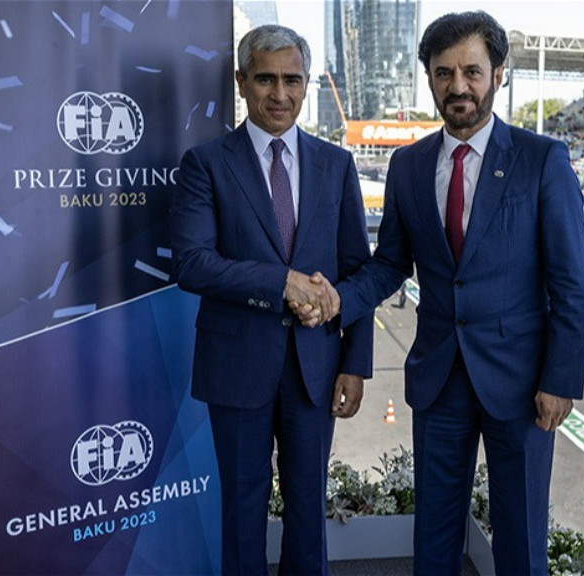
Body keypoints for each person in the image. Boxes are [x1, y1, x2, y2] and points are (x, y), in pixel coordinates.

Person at [294, 11, 584, 575]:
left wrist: (561, 379)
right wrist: (337, 300)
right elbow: (390, 264)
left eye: (471, 71)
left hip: (522, 384)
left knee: (522, 539)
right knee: (433, 537)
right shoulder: (407, 165)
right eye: (443, 73)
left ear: (497, 74)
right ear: (428, 78)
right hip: (438, 379)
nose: (458, 86)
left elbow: (571, 282)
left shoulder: (542, 160)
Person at [170, 25, 373, 576]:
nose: (280, 94)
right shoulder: (205, 164)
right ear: (241, 82)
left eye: (292, 80)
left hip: (316, 368)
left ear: (306, 84)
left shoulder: (337, 166)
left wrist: (355, 365)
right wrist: (281, 282)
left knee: (309, 512)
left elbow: (358, 273)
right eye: (265, 79)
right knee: (242, 514)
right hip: (237, 366)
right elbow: (191, 263)